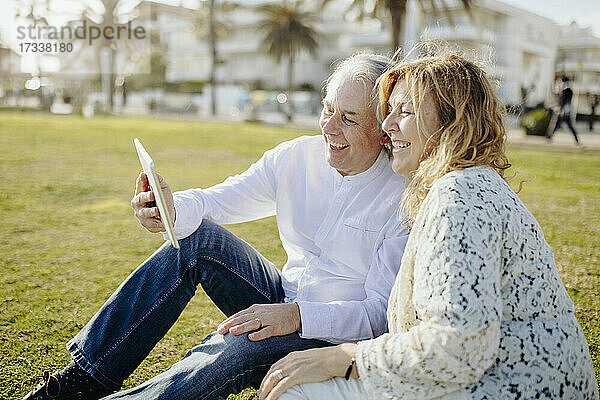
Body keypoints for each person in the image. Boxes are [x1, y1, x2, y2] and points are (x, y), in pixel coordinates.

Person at [22, 53, 410, 400]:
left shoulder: (403, 196)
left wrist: (296, 317)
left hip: (328, 336)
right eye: (328, 109)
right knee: (196, 239)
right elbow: (220, 200)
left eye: (349, 118)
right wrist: (170, 210)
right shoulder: (296, 156)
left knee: (237, 345)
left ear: (383, 129)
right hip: (280, 295)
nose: (329, 126)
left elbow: (378, 314)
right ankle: (82, 379)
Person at [257, 53, 598, 400]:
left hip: (510, 388)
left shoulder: (460, 196)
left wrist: (341, 358)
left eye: (404, 111)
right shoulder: (462, 186)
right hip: (498, 382)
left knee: (295, 392)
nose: (386, 126)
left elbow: (458, 347)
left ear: (450, 122)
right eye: (388, 111)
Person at [546, 75, 581, 145]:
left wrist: (556, 107)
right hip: (565, 112)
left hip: (562, 112)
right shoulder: (568, 90)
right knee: (566, 125)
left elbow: (562, 102)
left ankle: (549, 137)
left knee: (556, 124)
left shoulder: (565, 91)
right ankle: (549, 137)